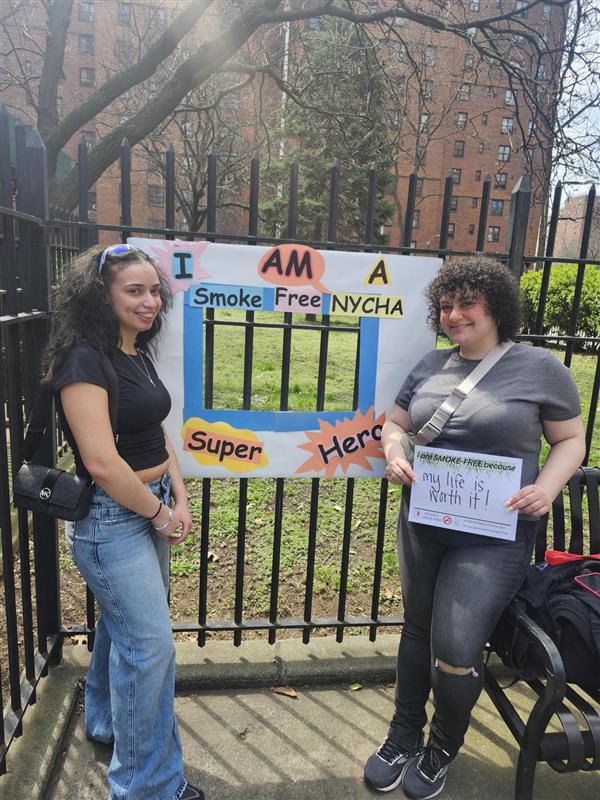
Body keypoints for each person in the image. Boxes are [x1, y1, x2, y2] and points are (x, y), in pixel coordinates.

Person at [363, 256, 585, 800]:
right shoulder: (431, 364)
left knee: (458, 646)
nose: (454, 315)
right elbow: (395, 424)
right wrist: (395, 452)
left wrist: (549, 486)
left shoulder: (540, 369)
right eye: (445, 305)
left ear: (496, 308)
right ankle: (402, 733)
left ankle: (441, 745)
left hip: (494, 533)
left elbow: (571, 440)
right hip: (425, 519)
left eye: (467, 303)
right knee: (417, 630)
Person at [44, 244, 203, 800]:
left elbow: (156, 431)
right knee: (151, 647)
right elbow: (101, 462)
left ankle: (108, 722)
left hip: (151, 502)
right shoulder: (83, 359)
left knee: (123, 628)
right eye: (134, 291)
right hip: (112, 520)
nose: (149, 301)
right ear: (101, 295)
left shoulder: (132, 350)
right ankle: (147, 786)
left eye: (154, 290)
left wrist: (177, 497)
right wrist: (159, 513)